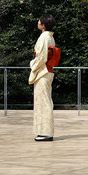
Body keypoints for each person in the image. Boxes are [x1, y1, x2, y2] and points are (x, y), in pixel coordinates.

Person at [28, 14, 56, 142]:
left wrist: (32, 65)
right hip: (47, 71)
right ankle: (44, 131)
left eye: (39, 21)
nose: (38, 22)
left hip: (43, 72)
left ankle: (46, 132)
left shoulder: (44, 38)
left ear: (43, 25)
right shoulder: (49, 37)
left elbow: (42, 57)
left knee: (43, 102)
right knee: (44, 100)